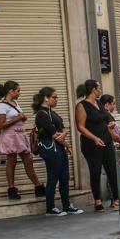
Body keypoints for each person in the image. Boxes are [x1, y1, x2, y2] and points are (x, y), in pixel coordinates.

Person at [32, 87, 82, 216]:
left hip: (58, 147)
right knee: (53, 176)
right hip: (50, 148)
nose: (56, 99)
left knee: (64, 176)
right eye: (54, 97)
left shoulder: (52, 113)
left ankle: (66, 205)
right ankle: (50, 207)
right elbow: (54, 134)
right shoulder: (41, 114)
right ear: (46, 98)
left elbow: (62, 130)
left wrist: (63, 137)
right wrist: (66, 144)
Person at [75, 79, 119, 211]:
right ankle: (97, 201)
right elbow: (80, 127)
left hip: (106, 141)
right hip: (92, 144)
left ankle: (115, 199)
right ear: (94, 89)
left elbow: (107, 117)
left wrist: (110, 124)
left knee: (112, 170)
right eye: (99, 87)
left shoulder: (99, 103)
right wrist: (94, 138)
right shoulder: (82, 106)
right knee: (95, 171)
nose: (100, 90)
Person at [0, 80, 44, 201]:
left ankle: (38, 186)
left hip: (20, 134)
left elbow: (18, 118)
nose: (19, 93)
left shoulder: (15, 103)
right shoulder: (1, 106)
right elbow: (1, 125)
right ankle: (11, 189)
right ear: (11, 91)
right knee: (11, 162)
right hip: (10, 136)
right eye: (18, 91)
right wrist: (18, 118)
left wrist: (22, 118)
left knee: (28, 161)